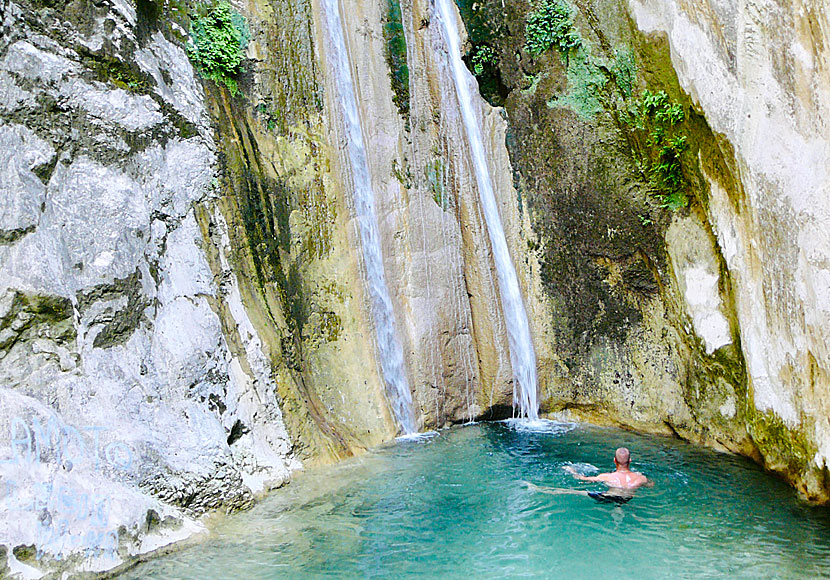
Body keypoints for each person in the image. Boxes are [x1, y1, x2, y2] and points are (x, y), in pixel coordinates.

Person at [524, 447, 652, 505]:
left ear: (614, 460)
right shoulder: (641, 478)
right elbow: (651, 485)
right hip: (628, 499)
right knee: (619, 507)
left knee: (572, 492)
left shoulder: (606, 477)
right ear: (630, 461)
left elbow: (581, 479)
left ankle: (538, 489)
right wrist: (640, 477)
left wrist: (571, 470)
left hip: (608, 497)